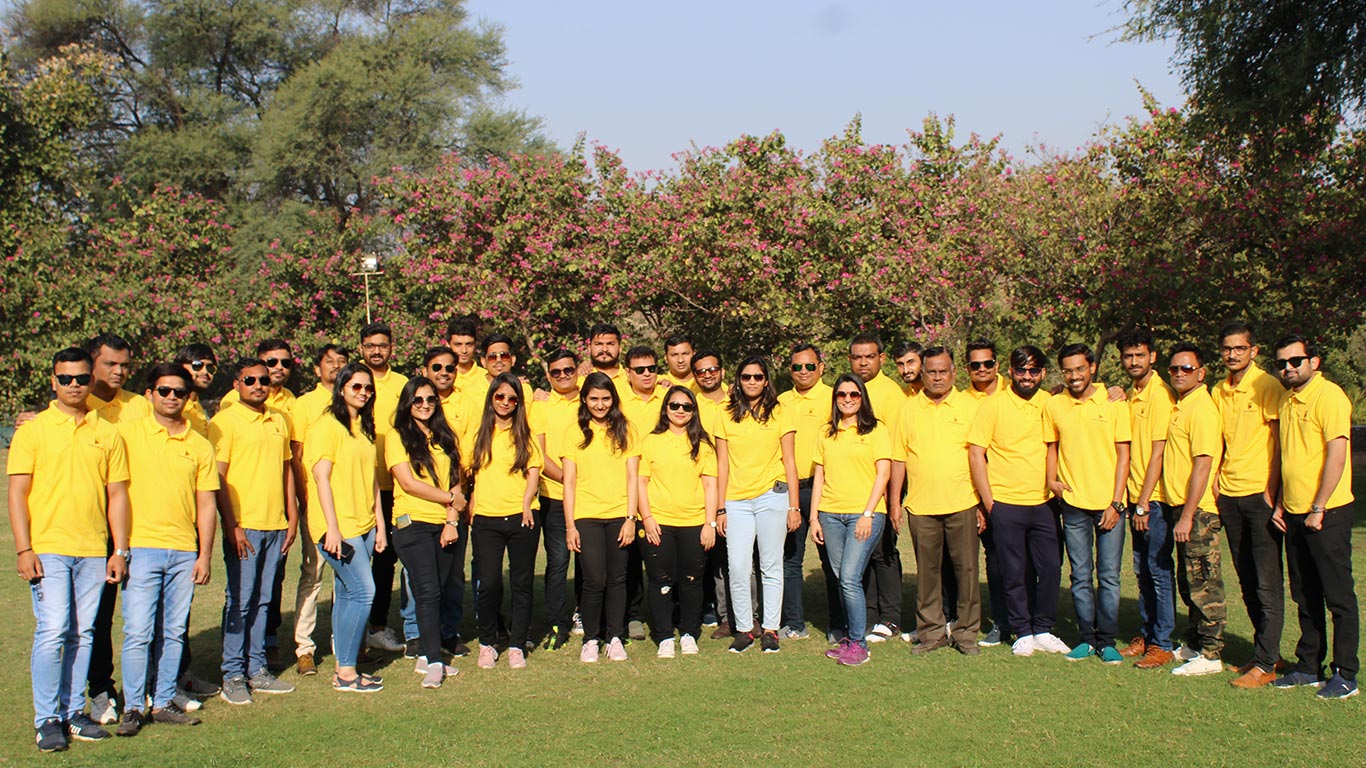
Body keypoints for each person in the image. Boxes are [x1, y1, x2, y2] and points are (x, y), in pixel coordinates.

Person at [8, 347, 130, 752]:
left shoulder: (108, 433)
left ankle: (73, 712)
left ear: (90, 381)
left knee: (83, 632)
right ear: (54, 381)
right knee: (53, 630)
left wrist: (119, 550)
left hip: (93, 549)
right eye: (66, 379)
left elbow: (117, 495)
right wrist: (24, 549)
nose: (74, 385)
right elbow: (17, 493)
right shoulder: (33, 431)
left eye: (81, 379)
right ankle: (47, 719)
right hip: (48, 548)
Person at [114, 363, 217, 735]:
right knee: (138, 632)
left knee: (173, 632)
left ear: (188, 397)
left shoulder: (199, 445)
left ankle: (162, 703)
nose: (172, 397)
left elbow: (206, 503)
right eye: (164, 390)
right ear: (149, 394)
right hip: (141, 547)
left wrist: (204, 554)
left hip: (183, 551)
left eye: (179, 392)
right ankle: (132, 707)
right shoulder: (126, 435)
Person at [1269, 335, 1358, 700]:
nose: (1288, 368)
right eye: (1282, 364)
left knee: (1337, 596)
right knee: (1305, 595)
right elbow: (1291, 457)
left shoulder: (1329, 396)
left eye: (1296, 361)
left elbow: (1337, 454)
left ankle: (1346, 674)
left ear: (1314, 362)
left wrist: (1319, 507)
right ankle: (1308, 666)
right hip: (1294, 512)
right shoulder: (1287, 400)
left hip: (1327, 512)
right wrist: (1281, 503)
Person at [967, 346, 1070, 658]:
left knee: (1050, 567)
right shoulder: (993, 405)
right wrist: (989, 502)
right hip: (1005, 502)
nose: (1027, 376)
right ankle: (1022, 631)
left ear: (1043, 373)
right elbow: (976, 453)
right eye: (1021, 369)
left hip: (1044, 502)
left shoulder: (1051, 403)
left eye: (1034, 370)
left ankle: (1043, 628)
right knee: (1013, 571)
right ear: (1010, 371)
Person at [210, 359, 298, 704]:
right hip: (244, 525)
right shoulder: (225, 421)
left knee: (264, 600)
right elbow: (218, 477)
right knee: (241, 600)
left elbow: (286, 470)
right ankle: (232, 673)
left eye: (263, 380)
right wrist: (232, 525)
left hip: (275, 523)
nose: (258, 385)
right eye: (250, 380)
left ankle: (257, 668)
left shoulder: (279, 419)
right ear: (237, 384)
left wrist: (291, 515)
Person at [891, 347, 983, 656]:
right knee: (927, 574)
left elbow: (980, 457)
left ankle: (966, 633)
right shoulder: (908, 409)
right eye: (931, 372)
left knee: (966, 572)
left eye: (943, 371)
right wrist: (895, 502)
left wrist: (982, 502)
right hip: (921, 505)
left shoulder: (970, 406)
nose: (938, 377)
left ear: (954, 373)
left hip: (963, 502)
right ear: (923, 374)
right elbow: (899, 458)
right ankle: (931, 632)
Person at [1044, 343, 1131, 664]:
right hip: (1074, 504)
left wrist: (1116, 503)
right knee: (1080, 576)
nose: (1074, 376)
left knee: (1109, 576)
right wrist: (1052, 480)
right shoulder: (1055, 404)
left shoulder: (1114, 402)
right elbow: (1051, 446)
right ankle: (1086, 639)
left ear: (1092, 367)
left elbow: (1124, 455)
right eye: (1068, 371)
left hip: (1109, 504)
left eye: (1080, 369)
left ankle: (1107, 641)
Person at [1212, 322, 1287, 688]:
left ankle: (1267, 663)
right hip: (1229, 494)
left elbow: (1279, 442)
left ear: (1254, 351)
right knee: (1246, 579)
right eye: (1227, 349)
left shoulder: (1267, 386)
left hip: (1259, 496)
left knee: (1267, 583)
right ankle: (1264, 653)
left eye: (1239, 348)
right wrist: (1216, 481)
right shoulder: (1218, 390)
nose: (1232, 354)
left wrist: (1272, 493)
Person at [81, 333, 150, 726]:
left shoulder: (139, 405)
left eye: (125, 365)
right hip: (96, 526)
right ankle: (101, 689)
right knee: (99, 614)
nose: (119, 371)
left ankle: (155, 684)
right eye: (110, 364)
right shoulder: (80, 404)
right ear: (92, 364)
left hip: (143, 524)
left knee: (146, 613)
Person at [306, 363, 386, 693]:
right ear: (341, 389)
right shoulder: (326, 426)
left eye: (368, 388)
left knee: (345, 594)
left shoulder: (363, 428)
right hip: (339, 528)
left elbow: (372, 482)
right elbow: (321, 479)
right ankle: (348, 673)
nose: (363, 393)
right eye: (356, 387)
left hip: (365, 524)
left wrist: (380, 526)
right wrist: (332, 528)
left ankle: (343, 667)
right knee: (365, 592)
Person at [713, 355, 799, 654]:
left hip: (771, 496)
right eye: (746, 376)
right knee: (738, 567)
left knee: (770, 565)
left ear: (766, 380)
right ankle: (744, 629)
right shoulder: (724, 413)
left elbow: (790, 461)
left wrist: (794, 506)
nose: (752, 382)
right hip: (736, 500)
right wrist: (720, 508)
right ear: (738, 380)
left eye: (758, 377)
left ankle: (771, 629)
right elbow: (722, 464)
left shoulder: (780, 412)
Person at [387, 377, 466, 687]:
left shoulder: (444, 436)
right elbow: (408, 483)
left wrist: (451, 521)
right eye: (418, 400)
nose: (425, 405)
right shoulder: (397, 436)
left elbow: (456, 480)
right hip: (412, 524)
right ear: (408, 403)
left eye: (431, 399)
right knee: (428, 590)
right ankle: (434, 660)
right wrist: (450, 499)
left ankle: (426, 655)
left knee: (441, 589)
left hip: (443, 524)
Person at [809, 375, 891, 666]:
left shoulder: (876, 429)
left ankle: (859, 643)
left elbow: (883, 474)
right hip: (830, 515)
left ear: (862, 397)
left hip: (863, 514)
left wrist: (868, 513)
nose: (847, 399)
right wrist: (814, 517)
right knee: (841, 578)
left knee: (849, 578)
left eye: (854, 394)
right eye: (842, 394)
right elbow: (819, 476)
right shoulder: (826, 432)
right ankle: (849, 637)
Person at [466, 373, 542, 669]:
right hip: (487, 519)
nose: (506, 402)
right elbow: (468, 472)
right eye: (500, 396)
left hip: (522, 518)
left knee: (522, 583)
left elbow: (533, 474)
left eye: (512, 398)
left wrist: (526, 504)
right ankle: (488, 642)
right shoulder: (478, 435)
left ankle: (517, 644)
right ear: (491, 399)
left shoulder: (526, 435)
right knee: (489, 583)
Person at [1161, 343, 1228, 677]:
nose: (1179, 374)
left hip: (1198, 512)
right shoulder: (1182, 405)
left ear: (1201, 373)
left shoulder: (1202, 408)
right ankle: (1195, 643)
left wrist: (1188, 515)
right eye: (1174, 368)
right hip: (1181, 508)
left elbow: (1203, 463)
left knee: (1204, 581)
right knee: (1188, 580)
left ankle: (1212, 653)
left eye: (1186, 368)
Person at [638, 386, 719, 657]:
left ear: (694, 411)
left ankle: (688, 633)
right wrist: (647, 518)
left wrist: (710, 523)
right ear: (665, 409)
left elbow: (710, 485)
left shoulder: (703, 445)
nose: (680, 411)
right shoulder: (651, 441)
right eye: (674, 405)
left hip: (694, 522)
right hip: (658, 522)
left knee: (692, 580)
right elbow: (641, 482)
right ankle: (664, 636)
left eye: (687, 406)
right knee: (661, 580)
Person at [1115, 328, 1179, 670]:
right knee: (1142, 571)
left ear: (1152, 356)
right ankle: (1147, 634)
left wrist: (1142, 503)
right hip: (1135, 497)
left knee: (1157, 570)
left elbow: (1158, 453)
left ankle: (1162, 643)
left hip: (1152, 500)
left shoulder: (1160, 395)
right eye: (1128, 356)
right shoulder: (1132, 394)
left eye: (1140, 355)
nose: (1134, 361)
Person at [564, 372, 638, 662]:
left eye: (605, 398)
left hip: (619, 514)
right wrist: (570, 526)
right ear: (584, 399)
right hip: (586, 516)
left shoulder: (626, 429)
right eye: (594, 398)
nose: (600, 404)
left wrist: (631, 518)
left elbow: (632, 477)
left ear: (613, 399)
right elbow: (569, 482)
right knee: (594, 580)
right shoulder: (574, 431)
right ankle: (591, 638)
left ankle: (615, 637)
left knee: (618, 579)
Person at [288, 343, 349, 676]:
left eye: (342, 361)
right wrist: (305, 498)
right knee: (312, 576)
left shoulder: (353, 400)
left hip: (348, 505)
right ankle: (305, 648)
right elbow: (297, 457)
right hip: (317, 504)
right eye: (330, 362)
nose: (336, 366)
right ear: (317, 369)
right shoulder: (305, 404)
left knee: (347, 578)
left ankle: (344, 643)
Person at [776, 343, 836, 642]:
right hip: (789, 491)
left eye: (810, 366)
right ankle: (794, 622)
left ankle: (838, 623)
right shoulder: (780, 401)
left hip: (823, 488)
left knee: (832, 560)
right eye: (797, 366)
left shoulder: (833, 398)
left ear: (821, 368)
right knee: (790, 559)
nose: (803, 371)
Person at [359, 322, 411, 655]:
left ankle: (377, 626)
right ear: (361, 348)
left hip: (394, 486)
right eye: (370, 345)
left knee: (387, 558)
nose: (376, 351)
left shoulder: (402, 384)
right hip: (357, 486)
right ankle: (350, 631)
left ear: (392, 347)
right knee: (354, 559)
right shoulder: (354, 380)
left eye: (382, 345)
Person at [847, 335, 902, 643]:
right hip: (854, 485)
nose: (863, 362)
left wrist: (891, 496)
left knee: (884, 552)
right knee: (863, 552)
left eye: (869, 356)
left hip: (882, 483)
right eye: (857, 357)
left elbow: (894, 449)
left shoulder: (890, 394)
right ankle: (867, 613)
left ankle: (890, 616)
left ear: (881, 358)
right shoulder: (849, 389)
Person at [531, 349, 583, 650]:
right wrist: (569, 479)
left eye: (568, 370)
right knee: (559, 561)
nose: (563, 376)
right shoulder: (540, 406)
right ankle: (557, 621)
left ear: (577, 370)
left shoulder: (589, 398)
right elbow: (539, 453)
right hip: (554, 495)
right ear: (548, 375)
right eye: (556, 372)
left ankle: (585, 614)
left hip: (589, 496)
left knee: (588, 562)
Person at [964, 339, 1009, 647]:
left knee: (1023, 562)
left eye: (987, 363)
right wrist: (981, 501)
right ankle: (1001, 622)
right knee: (994, 561)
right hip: (978, 495)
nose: (982, 369)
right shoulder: (962, 401)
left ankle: (1032, 622)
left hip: (1018, 493)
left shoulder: (1014, 391)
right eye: (975, 364)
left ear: (997, 365)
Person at [618, 345, 661, 640]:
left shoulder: (668, 396)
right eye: (640, 369)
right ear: (628, 372)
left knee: (663, 555)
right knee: (630, 557)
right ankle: (633, 615)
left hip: (663, 486)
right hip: (629, 486)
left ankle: (670, 611)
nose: (647, 374)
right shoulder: (619, 400)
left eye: (651, 369)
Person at [171, 343, 218, 437]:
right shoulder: (169, 405)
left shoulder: (198, 408)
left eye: (210, 368)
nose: (205, 372)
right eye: (197, 365)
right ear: (180, 367)